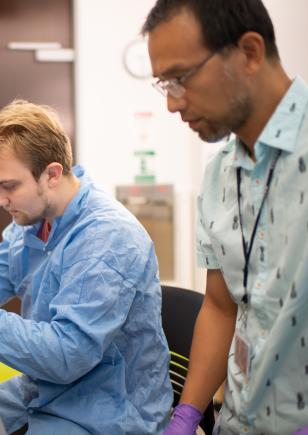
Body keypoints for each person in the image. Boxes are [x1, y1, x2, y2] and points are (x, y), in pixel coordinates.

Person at [0, 100, 172, 434]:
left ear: (51, 174)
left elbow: (67, 354)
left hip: (103, 411)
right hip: (44, 388)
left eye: (8, 186)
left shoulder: (107, 237)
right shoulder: (35, 223)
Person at [142, 0, 308, 433]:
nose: (173, 104)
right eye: (165, 85)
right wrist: (188, 413)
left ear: (250, 53)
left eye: (181, 78)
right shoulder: (219, 176)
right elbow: (220, 306)